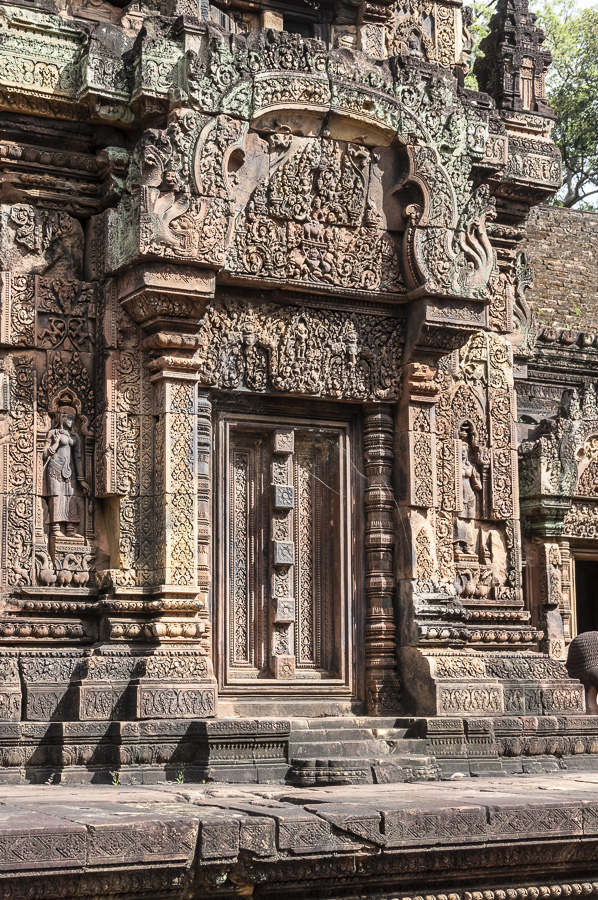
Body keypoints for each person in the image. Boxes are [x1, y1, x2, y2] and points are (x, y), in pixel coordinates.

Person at [43, 406, 90, 537]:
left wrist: (81, 480)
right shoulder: (53, 433)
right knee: (56, 495)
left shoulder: (75, 436)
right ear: (61, 417)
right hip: (55, 468)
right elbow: (45, 453)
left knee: (71, 496)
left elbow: (78, 458)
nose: (70, 421)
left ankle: (70, 529)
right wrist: (56, 444)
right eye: (68, 418)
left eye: (72, 418)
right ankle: (55, 527)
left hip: (70, 471)